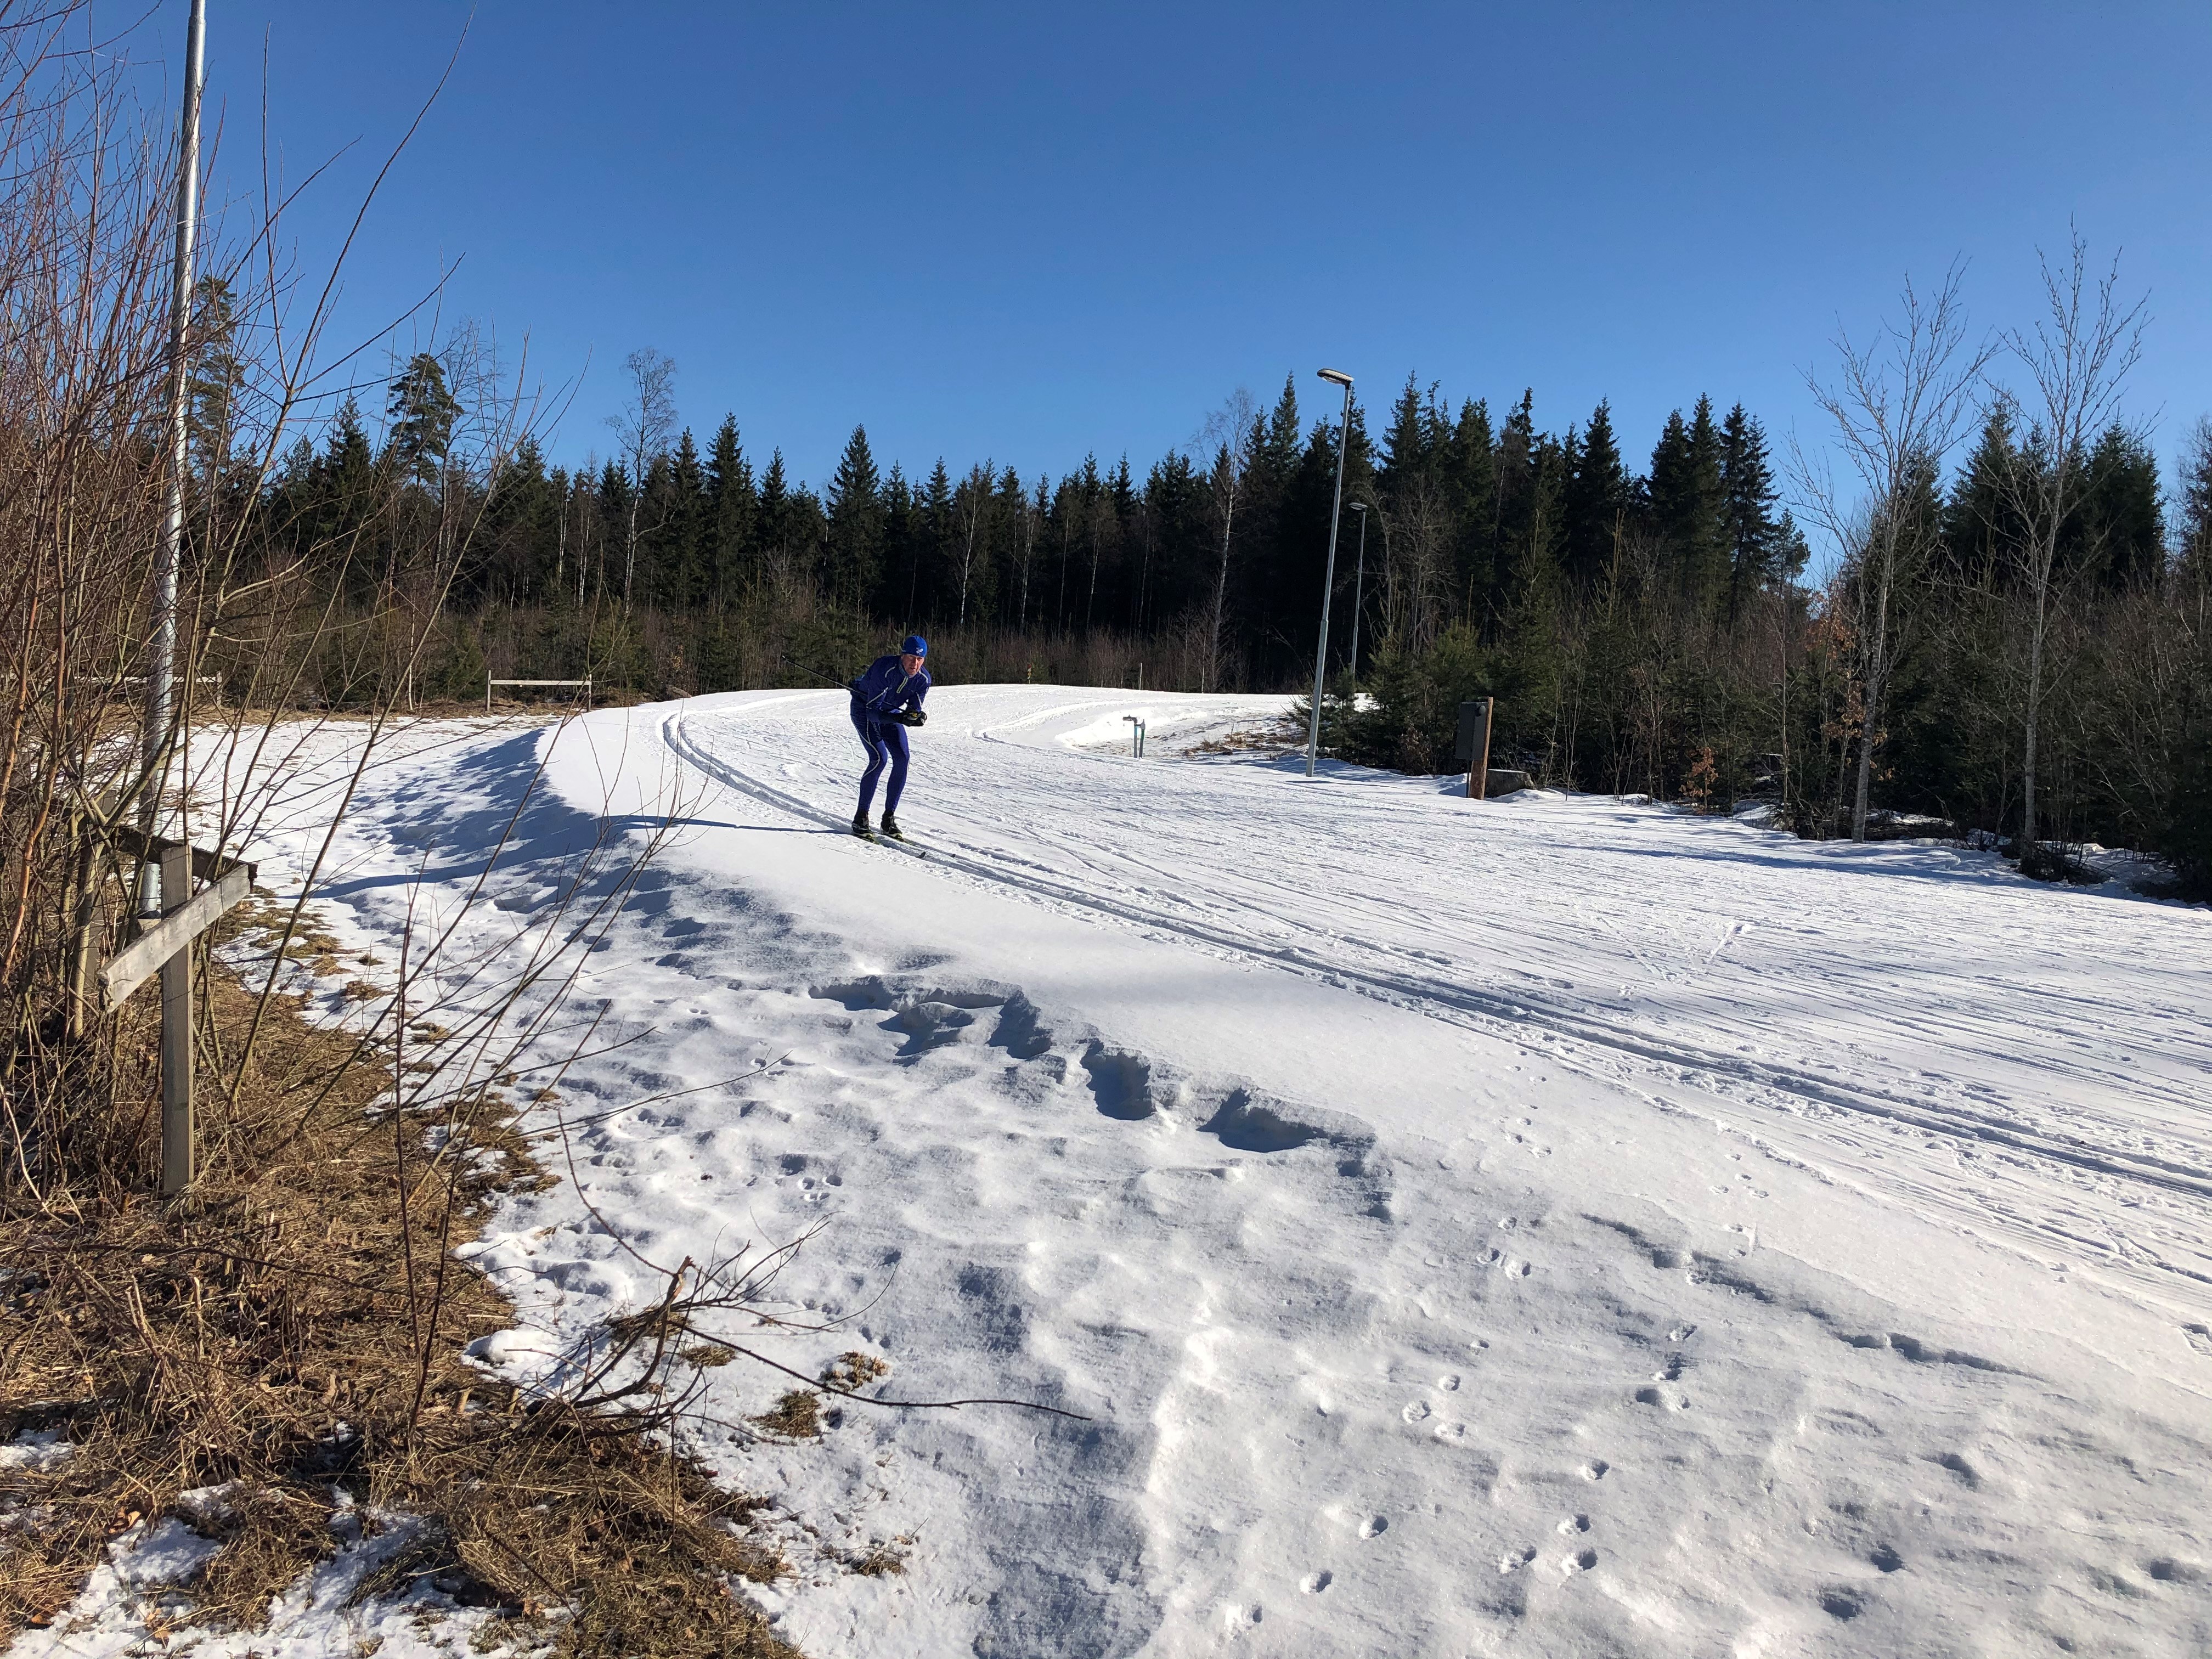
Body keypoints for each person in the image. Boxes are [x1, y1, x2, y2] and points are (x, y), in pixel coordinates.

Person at [848, 635, 930, 839]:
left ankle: (889, 818)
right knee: (879, 759)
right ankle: (861, 817)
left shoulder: (923, 679)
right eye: (911, 658)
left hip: (889, 713)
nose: (915, 664)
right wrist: (902, 718)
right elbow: (872, 713)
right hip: (865, 709)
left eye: (920, 659)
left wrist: (916, 717)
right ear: (902, 656)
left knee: (902, 758)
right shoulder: (885, 669)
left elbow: (913, 709)